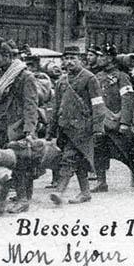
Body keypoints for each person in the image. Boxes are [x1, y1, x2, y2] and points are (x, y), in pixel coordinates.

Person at [0, 38, 39, 215]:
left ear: (7, 56)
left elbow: (31, 105)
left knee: (19, 165)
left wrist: (29, 131)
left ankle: (23, 200)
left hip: (17, 127)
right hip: (0, 126)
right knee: (3, 164)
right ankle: (0, 201)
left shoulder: (24, 76)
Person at [48, 51, 107, 205]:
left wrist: (98, 127)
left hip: (83, 128)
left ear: (80, 59)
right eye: (66, 59)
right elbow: (56, 107)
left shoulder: (89, 78)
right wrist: (51, 130)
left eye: (72, 58)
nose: (69, 62)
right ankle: (85, 192)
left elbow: (98, 103)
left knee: (69, 158)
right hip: (66, 128)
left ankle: (60, 191)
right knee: (79, 160)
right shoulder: (61, 81)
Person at [91, 53, 134, 190]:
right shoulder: (97, 76)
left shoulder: (121, 76)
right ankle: (101, 182)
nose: (99, 59)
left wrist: (125, 122)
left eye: (102, 57)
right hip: (101, 121)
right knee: (98, 151)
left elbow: (127, 99)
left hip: (115, 121)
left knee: (122, 151)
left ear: (111, 59)